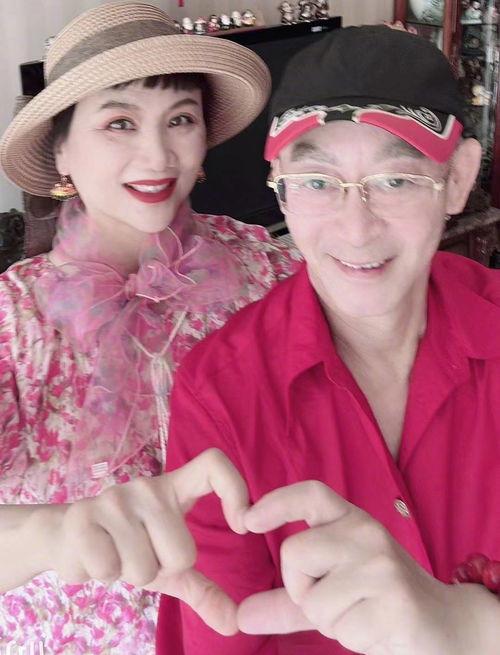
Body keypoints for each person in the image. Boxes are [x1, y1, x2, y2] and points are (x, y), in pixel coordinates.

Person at [157, 25, 500, 654]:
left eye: (396, 180)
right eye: (318, 181)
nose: (356, 228)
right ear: (280, 185)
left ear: (457, 179)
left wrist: (473, 626)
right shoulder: (221, 392)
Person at [0, 3, 300, 653]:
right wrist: (51, 530)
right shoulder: (14, 322)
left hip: (249, 633)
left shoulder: (264, 267)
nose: (158, 153)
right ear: (61, 151)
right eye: (119, 122)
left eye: (180, 119)